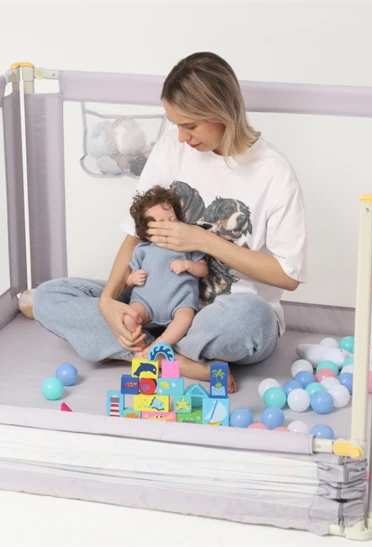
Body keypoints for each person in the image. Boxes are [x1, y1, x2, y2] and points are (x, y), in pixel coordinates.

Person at [24, 52, 307, 393]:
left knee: (251, 320)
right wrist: (107, 302)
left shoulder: (274, 173)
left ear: (222, 112)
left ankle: (146, 349)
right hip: (151, 298)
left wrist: (204, 240)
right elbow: (135, 234)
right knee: (49, 296)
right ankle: (173, 358)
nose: (182, 137)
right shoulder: (171, 148)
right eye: (176, 125)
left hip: (222, 312)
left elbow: (288, 275)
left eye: (190, 125)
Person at [124, 186, 208, 358]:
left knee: (186, 318)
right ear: (147, 233)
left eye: (172, 219)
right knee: (128, 318)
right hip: (145, 303)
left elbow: (203, 270)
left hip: (179, 303)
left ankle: (160, 343)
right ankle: (139, 347)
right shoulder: (142, 249)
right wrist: (133, 278)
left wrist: (187, 265)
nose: (169, 225)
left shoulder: (187, 245)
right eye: (161, 223)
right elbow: (128, 280)